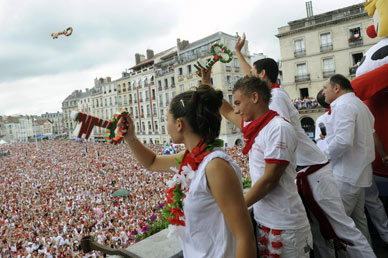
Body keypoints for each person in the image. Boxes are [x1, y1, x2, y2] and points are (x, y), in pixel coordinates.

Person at [233, 33, 376, 258]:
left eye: (252, 73)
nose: (238, 107)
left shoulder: (275, 100)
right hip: (314, 171)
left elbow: (277, 140)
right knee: (343, 228)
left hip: (315, 171)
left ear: (260, 79)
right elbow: (247, 89)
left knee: (343, 230)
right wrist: (239, 54)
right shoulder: (272, 95)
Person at [118, 84, 256, 258]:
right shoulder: (191, 158)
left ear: (178, 124)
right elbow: (152, 163)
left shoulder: (216, 167)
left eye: (166, 119)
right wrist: (131, 138)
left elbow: (245, 237)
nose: (165, 124)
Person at [214, 75, 312, 258]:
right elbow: (226, 111)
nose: (236, 110)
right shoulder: (257, 126)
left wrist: (235, 209)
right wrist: (207, 83)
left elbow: (269, 181)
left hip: (286, 226)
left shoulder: (278, 128)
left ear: (255, 97)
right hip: (264, 220)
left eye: (238, 103)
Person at [323, 74, 375, 244]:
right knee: (359, 222)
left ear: (336, 88)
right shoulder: (360, 105)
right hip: (360, 174)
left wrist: (321, 152)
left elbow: (343, 141)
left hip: (347, 176)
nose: (324, 92)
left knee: (339, 226)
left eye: (325, 88)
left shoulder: (344, 105)